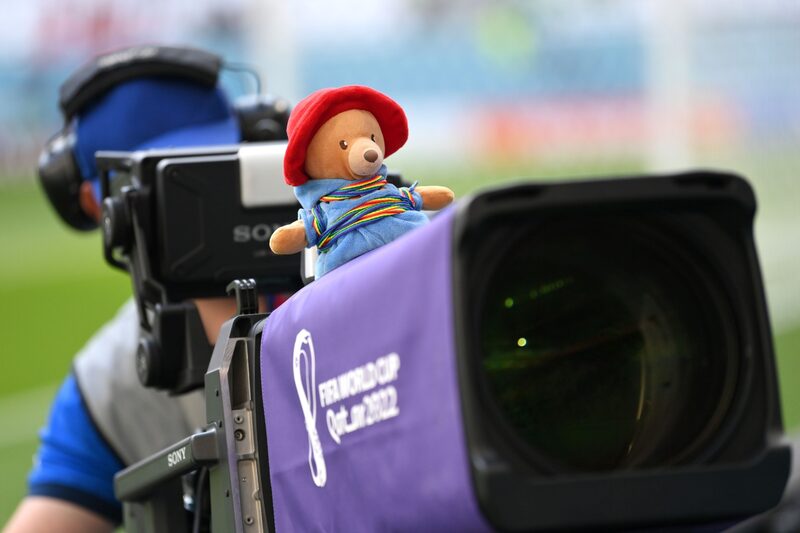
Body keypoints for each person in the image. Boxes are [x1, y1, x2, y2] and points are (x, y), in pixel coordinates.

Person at [3, 45, 286, 533]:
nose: (200, 198)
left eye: (214, 161)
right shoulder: (111, 384)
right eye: (174, 179)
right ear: (97, 205)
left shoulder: (351, 274)